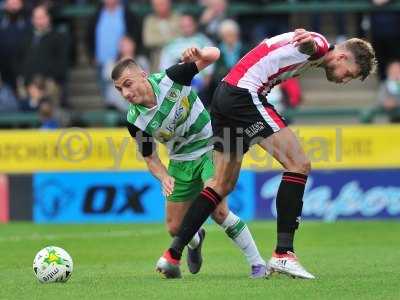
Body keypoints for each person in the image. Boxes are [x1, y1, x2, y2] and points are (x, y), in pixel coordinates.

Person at [156, 29, 377, 279]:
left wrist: (306, 44)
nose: (343, 80)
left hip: (224, 95)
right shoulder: (322, 45)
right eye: (349, 74)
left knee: (221, 184)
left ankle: (172, 254)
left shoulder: (317, 51)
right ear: (343, 58)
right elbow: (312, 46)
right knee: (299, 164)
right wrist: (309, 44)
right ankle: (283, 254)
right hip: (244, 94)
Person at [112, 47, 267, 278]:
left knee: (219, 212)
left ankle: (258, 264)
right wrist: (164, 176)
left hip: (212, 146)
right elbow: (150, 157)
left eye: (127, 84)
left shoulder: (172, 78)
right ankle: (196, 240)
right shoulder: (135, 120)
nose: (125, 93)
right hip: (180, 160)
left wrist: (199, 52)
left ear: (143, 75)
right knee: (175, 228)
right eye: (119, 89)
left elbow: (214, 55)